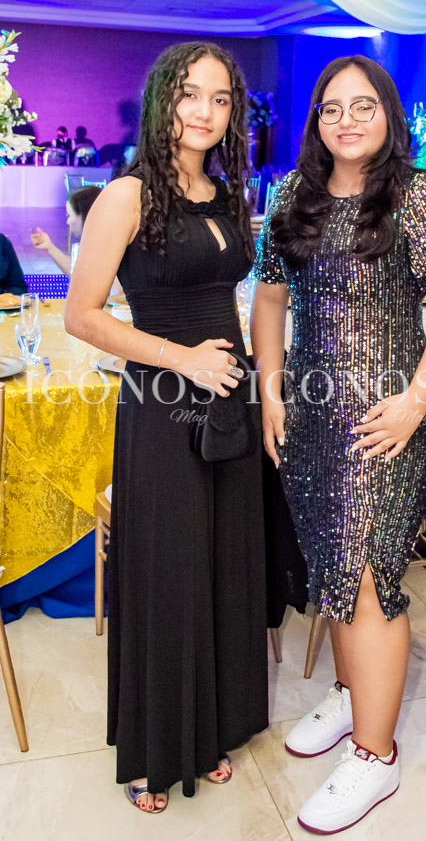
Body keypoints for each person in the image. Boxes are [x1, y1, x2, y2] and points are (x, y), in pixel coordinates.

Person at [251, 54, 426, 835]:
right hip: (311, 421)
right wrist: (269, 391)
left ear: (388, 114)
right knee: (331, 567)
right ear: (315, 120)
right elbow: (269, 299)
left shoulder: (420, 194)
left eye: (362, 105)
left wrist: (416, 403)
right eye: (331, 108)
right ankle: (351, 697)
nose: (346, 120)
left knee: (369, 575)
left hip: (389, 422)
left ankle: (376, 757)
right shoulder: (291, 197)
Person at [65, 41, 268, 813]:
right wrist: (181, 359)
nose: (204, 112)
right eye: (189, 94)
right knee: (170, 572)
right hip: (162, 403)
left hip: (230, 399)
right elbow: (82, 316)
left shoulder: (226, 194)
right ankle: (155, 750)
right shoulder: (126, 195)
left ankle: (208, 728)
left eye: (220, 98)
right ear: (162, 101)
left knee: (221, 567)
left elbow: (234, 298)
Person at [31, 186, 102, 275]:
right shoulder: (96, 245)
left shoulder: (104, 252)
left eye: (69, 215)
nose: (68, 222)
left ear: (85, 216)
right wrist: (50, 247)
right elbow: (77, 273)